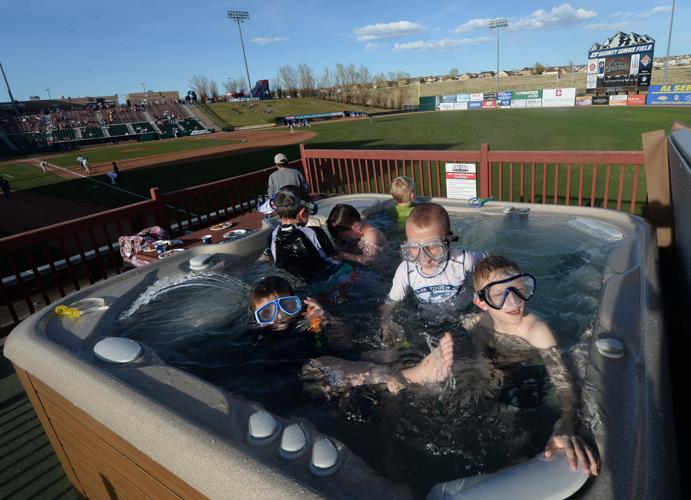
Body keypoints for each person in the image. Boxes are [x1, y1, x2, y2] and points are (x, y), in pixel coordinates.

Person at [464, 255, 599, 475]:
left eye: (518, 288)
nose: (514, 301)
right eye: (499, 295)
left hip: (529, 372)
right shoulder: (476, 324)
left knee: (518, 435)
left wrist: (564, 426)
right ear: (481, 302)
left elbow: (565, 387)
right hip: (496, 370)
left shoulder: (536, 331)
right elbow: (477, 354)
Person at [250, 276, 455, 395]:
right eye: (267, 313)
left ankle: (413, 383)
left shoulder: (307, 321)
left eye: (287, 306)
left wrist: (327, 319)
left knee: (387, 355)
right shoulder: (262, 337)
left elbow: (345, 344)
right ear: (258, 320)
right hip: (304, 375)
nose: (279, 316)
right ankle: (416, 375)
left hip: (333, 363)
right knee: (333, 363)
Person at [380, 203, 486, 346]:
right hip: (427, 320)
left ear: (448, 241)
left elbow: (490, 263)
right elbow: (390, 303)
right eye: (414, 247)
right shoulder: (406, 270)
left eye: (433, 247)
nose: (424, 256)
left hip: (465, 313)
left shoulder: (462, 260)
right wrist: (386, 323)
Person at [270, 186, 340, 282]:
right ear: (302, 212)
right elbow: (335, 258)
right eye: (309, 211)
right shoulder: (315, 232)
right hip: (324, 284)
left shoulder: (272, 236)